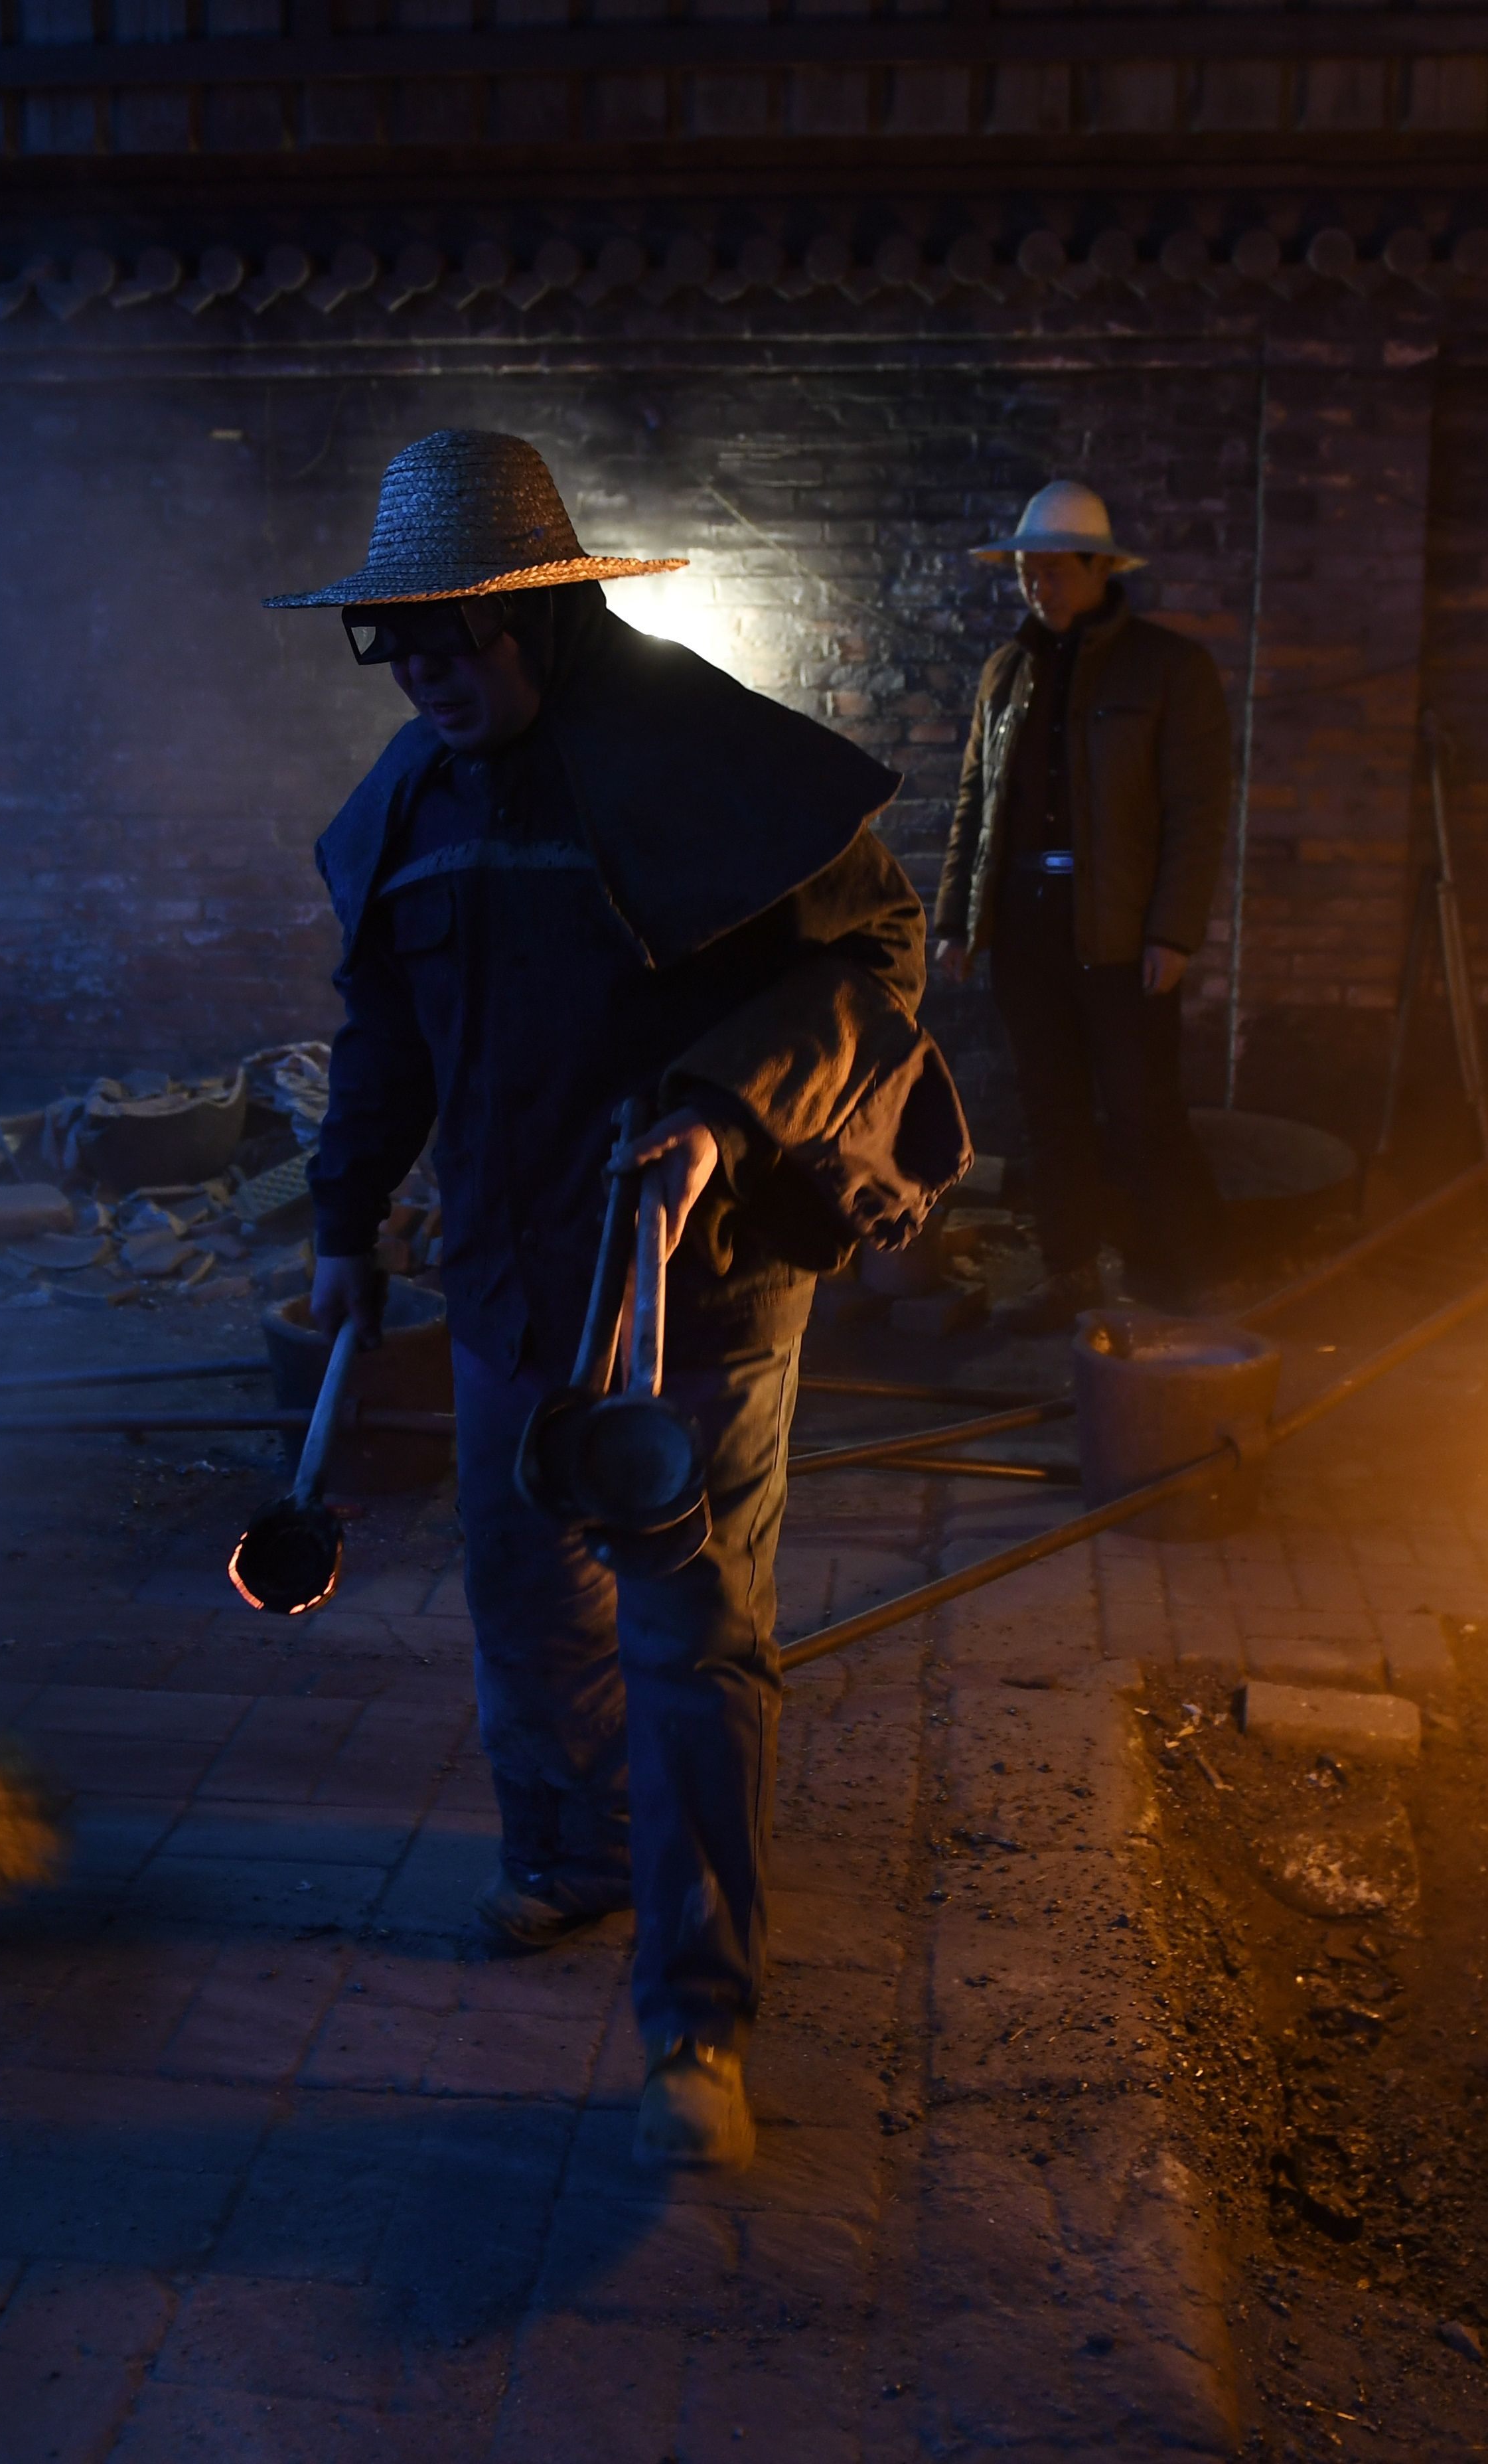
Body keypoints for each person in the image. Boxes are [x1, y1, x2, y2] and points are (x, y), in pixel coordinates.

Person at [273, 431, 963, 2170]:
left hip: (702, 1289)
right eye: (392, 642)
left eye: (452, 639)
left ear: (550, 622)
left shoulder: (697, 761)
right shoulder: (417, 809)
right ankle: (570, 1858)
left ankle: (698, 2020)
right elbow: (385, 1031)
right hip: (510, 1275)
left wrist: (727, 1113)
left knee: (687, 1638)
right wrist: (345, 1214)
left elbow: (878, 962)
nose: (422, 673)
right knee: (525, 1593)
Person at [931, 479, 1233, 1328]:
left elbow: (1197, 812)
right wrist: (956, 920)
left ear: (1101, 567)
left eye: (1055, 567)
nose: (1038, 583)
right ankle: (1070, 1269)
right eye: (1029, 568)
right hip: (1028, 923)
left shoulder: (1168, 669)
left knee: (1143, 1107)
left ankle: (1189, 1266)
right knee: (1050, 1106)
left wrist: (1172, 930)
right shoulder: (1007, 673)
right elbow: (975, 808)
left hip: (1120, 927)